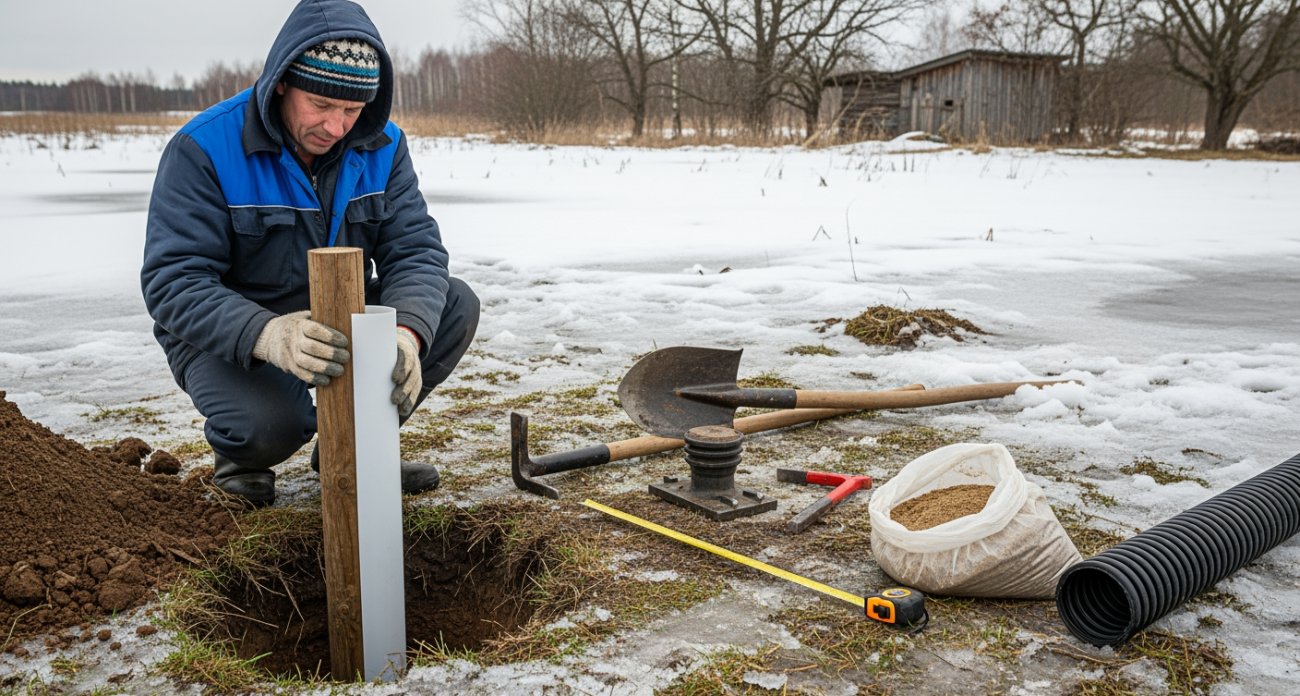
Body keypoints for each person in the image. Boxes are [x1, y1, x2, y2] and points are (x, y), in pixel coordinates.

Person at [141, 0, 478, 506]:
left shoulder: (383, 146)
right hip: (234, 334)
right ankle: (244, 455)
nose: (337, 126)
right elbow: (174, 282)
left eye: (352, 110)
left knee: (451, 305)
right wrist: (269, 335)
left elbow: (415, 251)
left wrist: (406, 336)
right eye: (321, 105)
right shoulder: (205, 148)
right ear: (282, 82)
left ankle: (357, 444)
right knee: (272, 426)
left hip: (339, 314)